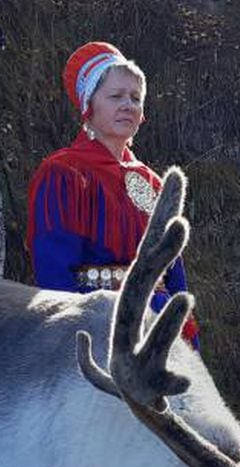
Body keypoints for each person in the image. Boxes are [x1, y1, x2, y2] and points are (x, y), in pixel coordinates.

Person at [25, 41, 197, 345]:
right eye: (116, 96)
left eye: (135, 98)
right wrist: (75, 333)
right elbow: (53, 269)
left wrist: (182, 327)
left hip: (158, 326)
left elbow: (174, 269)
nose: (127, 105)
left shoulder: (154, 182)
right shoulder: (65, 172)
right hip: (99, 322)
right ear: (89, 105)